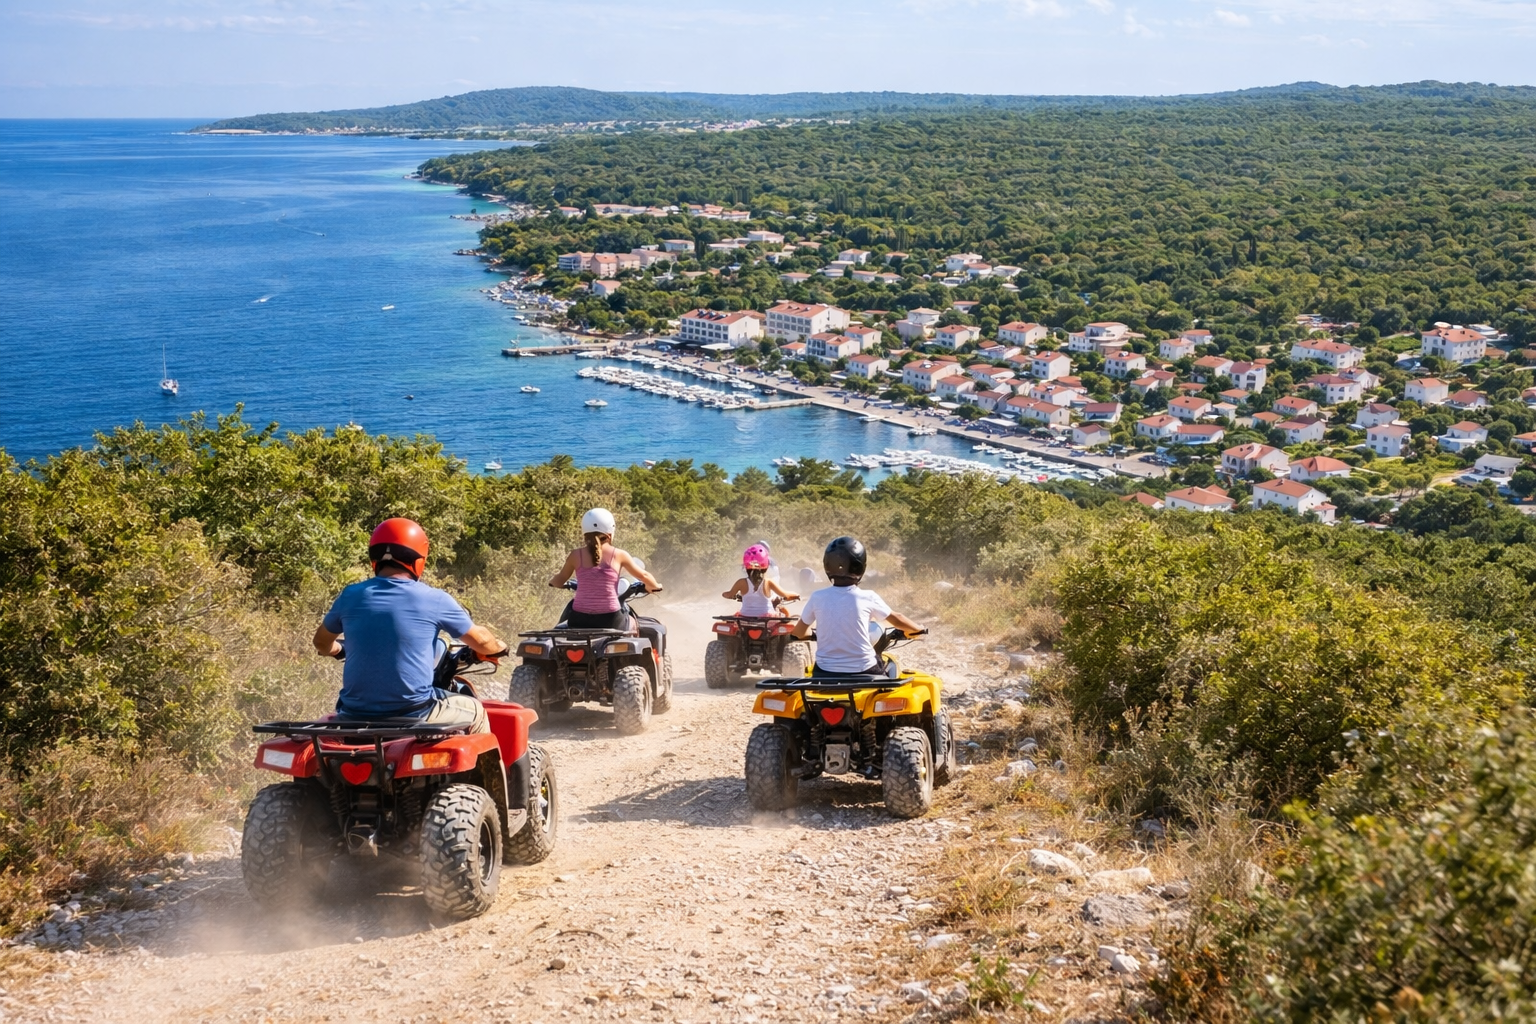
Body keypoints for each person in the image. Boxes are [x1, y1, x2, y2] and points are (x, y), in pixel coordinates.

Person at [313, 517, 504, 733]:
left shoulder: (350, 595)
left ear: (374, 558)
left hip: (353, 714)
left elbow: (321, 643)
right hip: (414, 712)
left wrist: (338, 649)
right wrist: (499, 647)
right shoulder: (434, 598)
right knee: (476, 711)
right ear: (418, 559)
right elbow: (482, 641)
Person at [791, 536, 922, 675]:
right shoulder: (868, 596)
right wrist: (919, 629)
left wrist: (813, 634)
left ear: (827, 565)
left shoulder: (817, 597)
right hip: (864, 670)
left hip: (825, 672)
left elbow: (798, 633)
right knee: (889, 668)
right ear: (860, 567)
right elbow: (897, 618)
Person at [549, 507, 661, 629]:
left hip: (579, 619)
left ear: (584, 533)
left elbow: (559, 580)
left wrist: (553, 582)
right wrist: (655, 586)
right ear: (610, 533)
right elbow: (643, 575)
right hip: (610, 619)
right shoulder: (619, 555)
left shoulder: (575, 555)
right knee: (634, 623)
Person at [722, 544, 799, 618]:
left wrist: (725, 594)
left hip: (745, 616)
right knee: (784, 616)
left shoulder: (741, 582)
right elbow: (785, 595)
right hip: (767, 617)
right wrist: (796, 595)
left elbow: (729, 594)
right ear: (766, 565)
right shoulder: (768, 582)